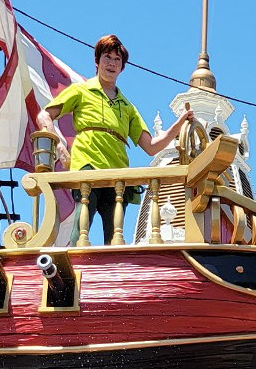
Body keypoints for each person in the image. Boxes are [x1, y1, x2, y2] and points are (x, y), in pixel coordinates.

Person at [39, 34, 195, 244]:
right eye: (107, 57)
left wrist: (179, 124)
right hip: (88, 164)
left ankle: (113, 273)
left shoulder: (127, 106)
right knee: (81, 226)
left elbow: (151, 147)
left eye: (117, 60)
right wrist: (59, 145)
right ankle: (75, 268)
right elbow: (44, 115)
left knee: (114, 235)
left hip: (117, 172)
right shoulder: (82, 91)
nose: (111, 63)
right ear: (97, 61)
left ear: (122, 67)